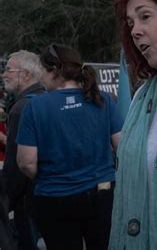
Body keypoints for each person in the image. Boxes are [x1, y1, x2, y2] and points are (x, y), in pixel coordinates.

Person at [16, 45, 122, 250]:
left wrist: (48, 176)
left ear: (54, 69)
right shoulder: (103, 100)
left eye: (42, 72)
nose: (41, 78)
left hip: (55, 197)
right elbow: (122, 146)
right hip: (102, 194)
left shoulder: (35, 106)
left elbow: (26, 162)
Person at [1, 50, 45, 250]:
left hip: (28, 200)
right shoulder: (46, 98)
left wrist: (8, 198)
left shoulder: (21, 108)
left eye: (9, 70)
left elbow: (18, 164)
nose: (4, 74)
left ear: (26, 74)